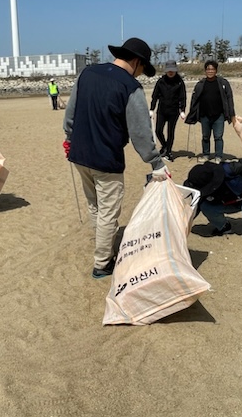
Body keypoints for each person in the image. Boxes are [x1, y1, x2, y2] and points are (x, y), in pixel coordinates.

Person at [63, 37, 170, 279]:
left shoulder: (87, 73)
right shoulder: (130, 87)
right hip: (106, 159)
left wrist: (69, 138)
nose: (140, 75)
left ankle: (103, 244)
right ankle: (102, 263)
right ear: (136, 61)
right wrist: (156, 162)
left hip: (78, 153)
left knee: (95, 205)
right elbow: (140, 132)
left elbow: (70, 114)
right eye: (142, 69)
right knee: (109, 211)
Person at [184, 158, 242, 250]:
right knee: (205, 206)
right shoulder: (201, 185)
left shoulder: (228, 169)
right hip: (228, 202)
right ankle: (224, 227)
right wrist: (184, 224)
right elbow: (195, 207)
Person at [185, 60, 236, 163]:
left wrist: (232, 114)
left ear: (216, 70)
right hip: (204, 115)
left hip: (219, 115)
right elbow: (194, 100)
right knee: (205, 137)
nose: (210, 71)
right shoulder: (200, 84)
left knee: (218, 137)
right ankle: (206, 155)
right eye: (208, 69)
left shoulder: (223, 83)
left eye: (212, 69)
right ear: (205, 71)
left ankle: (218, 156)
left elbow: (229, 98)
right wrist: (192, 114)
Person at [149, 60, 187, 162]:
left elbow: (182, 97)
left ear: (175, 71)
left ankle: (169, 152)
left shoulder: (179, 82)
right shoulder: (161, 82)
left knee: (171, 132)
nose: (171, 72)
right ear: (166, 71)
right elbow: (155, 96)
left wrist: (182, 110)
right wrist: (152, 109)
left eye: (173, 70)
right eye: (169, 70)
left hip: (173, 112)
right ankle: (165, 146)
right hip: (162, 110)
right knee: (158, 130)